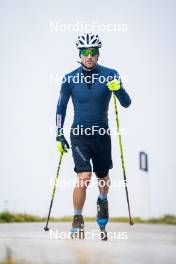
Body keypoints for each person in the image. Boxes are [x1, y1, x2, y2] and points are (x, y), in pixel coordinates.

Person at [56, 33, 131, 240]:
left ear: (98, 55)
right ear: (79, 55)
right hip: (79, 135)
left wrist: (120, 89)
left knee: (103, 178)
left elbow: (126, 103)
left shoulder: (110, 75)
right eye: (85, 52)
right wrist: (58, 134)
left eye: (93, 52)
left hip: (101, 136)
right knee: (84, 177)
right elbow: (60, 107)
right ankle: (78, 220)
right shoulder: (69, 78)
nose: (89, 56)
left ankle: (102, 200)